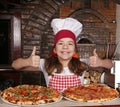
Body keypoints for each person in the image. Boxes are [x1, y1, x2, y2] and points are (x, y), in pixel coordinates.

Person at [12, 17, 113, 91]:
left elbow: (110, 65)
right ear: (55, 49)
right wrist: (28, 61)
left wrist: (100, 62)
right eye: (60, 43)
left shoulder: (82, 63)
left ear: (74, 50)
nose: (65, 47)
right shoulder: (46, 64)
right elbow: (15, 65)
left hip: (78, 102)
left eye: (70, 43)